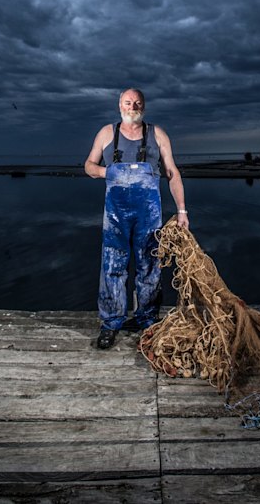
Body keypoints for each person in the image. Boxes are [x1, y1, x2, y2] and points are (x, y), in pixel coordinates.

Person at [84, 88, 189, 349]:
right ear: (119, 105)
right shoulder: (107, 133)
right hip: (116, 216)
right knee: (112, 266)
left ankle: (148, 320)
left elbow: (172, 173)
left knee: (150, 267)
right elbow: (88, 166)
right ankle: (111, 323)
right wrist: (106, 172)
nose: (133, 106)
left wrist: (182, 211)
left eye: (138, 103)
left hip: (148, 216)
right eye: (128, 102)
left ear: (144, 106)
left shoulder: (158, 134)